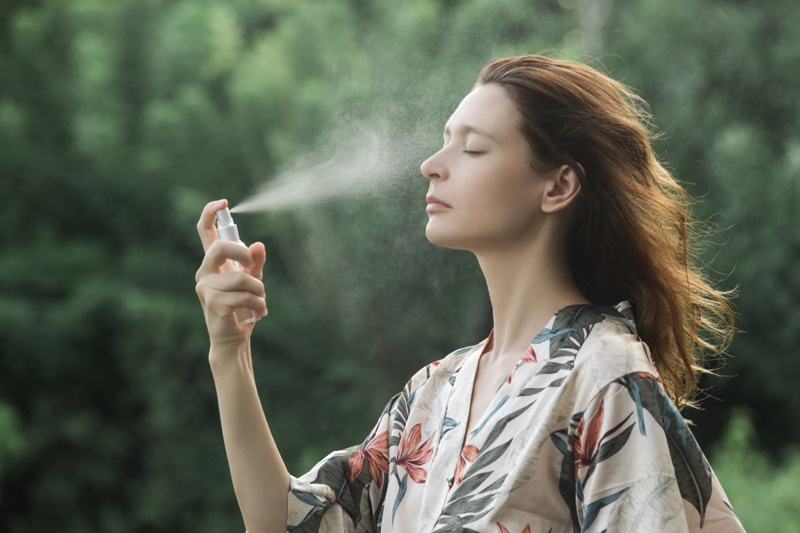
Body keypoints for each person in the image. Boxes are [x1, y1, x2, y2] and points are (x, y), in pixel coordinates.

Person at [194, 55, 745, 533]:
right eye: (442, 142)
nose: (432, 166)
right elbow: (286, 522)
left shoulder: (604, 375)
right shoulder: (432, 394)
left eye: (473, 148)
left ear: (557, 186)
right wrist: (230, 351)